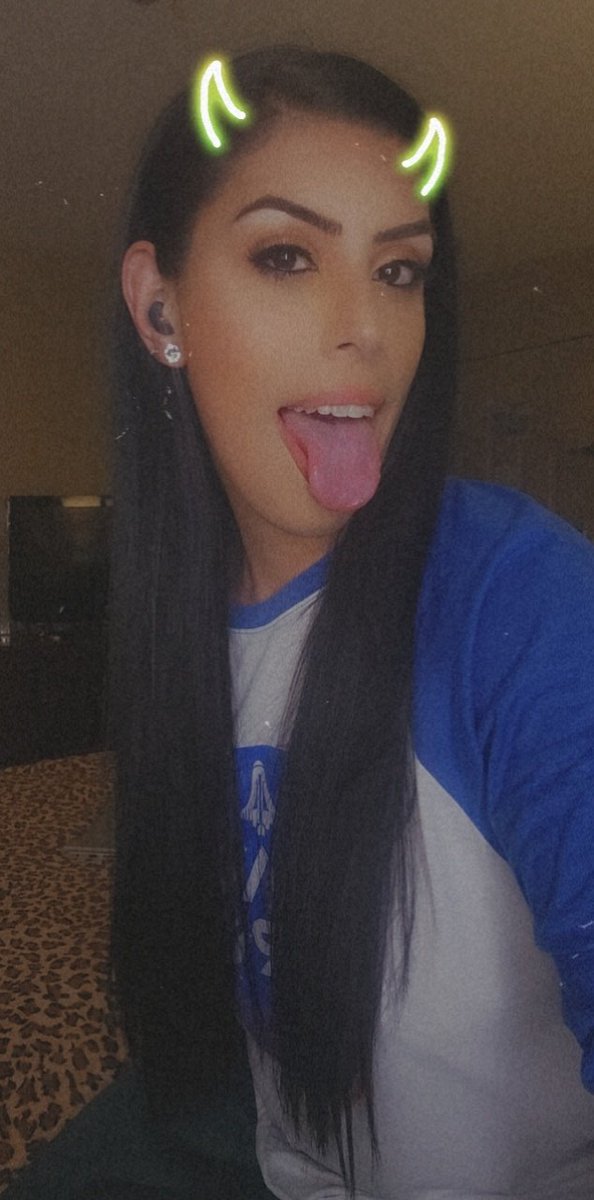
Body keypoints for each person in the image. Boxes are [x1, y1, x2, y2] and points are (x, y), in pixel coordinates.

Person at [6, 41, 594, 1200]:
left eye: (400, 271)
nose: (367, 327)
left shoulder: (509, 589)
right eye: (287, 256)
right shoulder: (178, 629)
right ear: (160, 307)